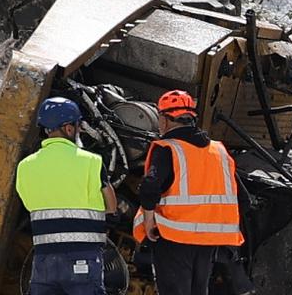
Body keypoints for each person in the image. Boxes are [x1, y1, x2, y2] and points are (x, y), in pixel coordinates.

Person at [132, 90, 244, 295]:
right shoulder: (219, 151)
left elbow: (149, 186)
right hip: (209, 239)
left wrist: (148, 222)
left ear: (165, 120)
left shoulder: (168, 148)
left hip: (174, 237)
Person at [16, 97, 118, 295]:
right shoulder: (92, 162)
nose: (79, 130)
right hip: (83, 258)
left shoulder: (25, 166)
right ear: (68, 129)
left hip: (44, 260)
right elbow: (111, 206)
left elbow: (29, 204)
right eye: (78, 126)